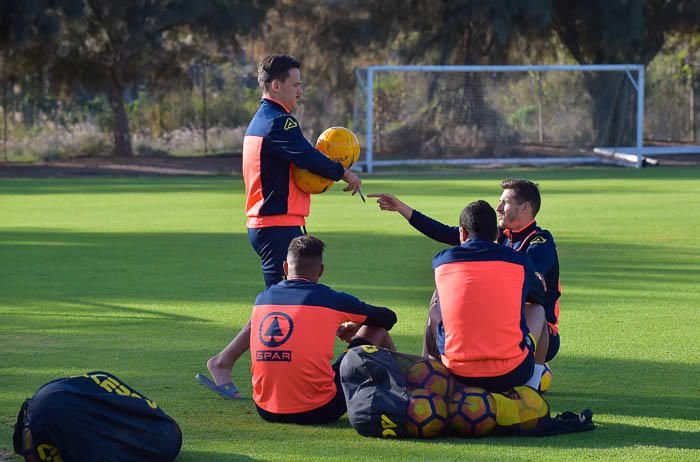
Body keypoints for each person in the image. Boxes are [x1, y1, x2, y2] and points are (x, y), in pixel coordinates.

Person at [197, 55, 362, 399]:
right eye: (296, 84)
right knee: (283, 308)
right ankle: (258, 377)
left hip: (274, 226)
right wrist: (344, 172)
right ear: (276, 86)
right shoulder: (279, 123)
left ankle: (225, 362)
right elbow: (309, 157)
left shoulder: (261, 121)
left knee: (280, 304)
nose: (301, 91)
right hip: (277, 228)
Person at [368, 179, 560, 389]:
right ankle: (428, 368)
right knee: (438, 295)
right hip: (496, 325)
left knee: (535, 308)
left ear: (525, 208)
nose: (498, 208)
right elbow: (444, 232)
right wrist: (402, 209)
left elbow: (534, 270)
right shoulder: (496, 236)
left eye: (504, 202)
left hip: (538, 331)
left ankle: (531, 385)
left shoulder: (540, 241)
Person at [250, 235, 397, 424]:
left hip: (265, 409)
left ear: (285, 268)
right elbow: (388, 318)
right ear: (321, 271)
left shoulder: (262, 299)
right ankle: (402, 383)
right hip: (319, 410)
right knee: (376, 329)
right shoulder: (330, 299)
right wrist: (360, 325)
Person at [431, 200, 544, 392]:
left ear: (463, 232)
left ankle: (431, 374)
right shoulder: (518, 261)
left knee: (435, 301)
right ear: (496, 234)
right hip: (510, 373)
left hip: (455, 372)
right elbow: (538, 296)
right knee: (538, 309)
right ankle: (530, 390)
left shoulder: (442, 261)